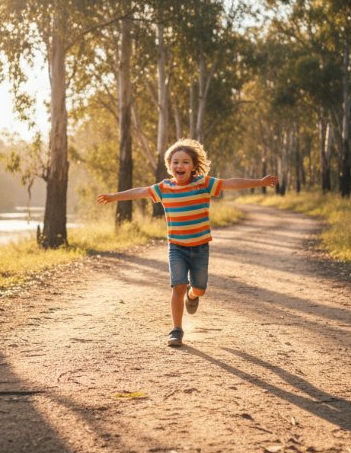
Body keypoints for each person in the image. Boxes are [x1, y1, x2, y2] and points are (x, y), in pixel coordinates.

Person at [97, 139, 278, 347]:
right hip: (176, 247)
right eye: (175, 162)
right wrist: (113, 197)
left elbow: (230, 183)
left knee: (199, 288)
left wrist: (260, 182)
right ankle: (176, 329)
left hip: (200, 247)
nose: (179, 166)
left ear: (193, 166)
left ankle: (193, 296)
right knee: (178, 286)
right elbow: (139, 191)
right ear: (169, 166)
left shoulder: (203, 183)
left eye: (184, 162)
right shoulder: (164, 188)